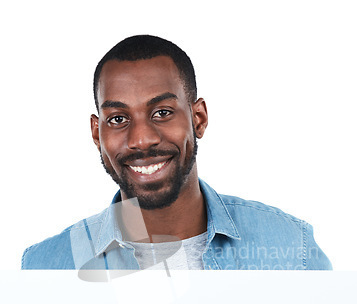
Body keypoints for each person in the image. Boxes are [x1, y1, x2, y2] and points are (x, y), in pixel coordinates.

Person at [22, 35, 332, 271]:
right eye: (118, 119)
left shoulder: (292, 248)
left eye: (162, 112)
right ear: (96, 133)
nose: (142, 139)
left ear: (198, 119)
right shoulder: (45, 266)